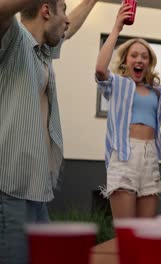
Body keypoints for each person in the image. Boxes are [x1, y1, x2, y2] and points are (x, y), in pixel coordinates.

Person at [0, 0, 99, 263]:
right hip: (8, 193)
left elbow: (70, 28)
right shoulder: (13, 39)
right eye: (63, 10)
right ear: (45, 11)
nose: (67, 19)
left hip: (36, 192)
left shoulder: (43, 51)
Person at [95, 2, 161, 219]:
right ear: (126, 61)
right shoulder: (118, 85)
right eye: (134, 55)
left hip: (150, 158)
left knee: (146, 232)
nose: (139, 60)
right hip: (124, 156)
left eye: (144, 57)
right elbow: (100, 69)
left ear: (149, 63)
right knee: (127, 233)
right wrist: (117, 27)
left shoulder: (157, 92)